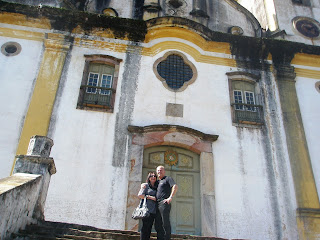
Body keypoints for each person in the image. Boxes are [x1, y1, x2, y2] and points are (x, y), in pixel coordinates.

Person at [154, 165, 178, 240]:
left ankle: (167, 238)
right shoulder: (157, 182)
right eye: (158, 170)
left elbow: (175, 186)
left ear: (164, 171)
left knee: (165, 222)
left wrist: (170, 197)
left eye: (161, 170)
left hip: (164, 203)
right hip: (156, 204)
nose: (159, 171)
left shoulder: (168, 179)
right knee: (157, 223)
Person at [138, 172, 158, 240]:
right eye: (151, 176)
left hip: (153, 210)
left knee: (149, 227)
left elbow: (158, 198)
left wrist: (151, 197)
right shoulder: (145, 185)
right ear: (148, 178)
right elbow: (140, 195)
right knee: (145, 227)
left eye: (154, 176)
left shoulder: (157, 187)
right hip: (146, 209)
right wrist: (148, 196)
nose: (153, 177)